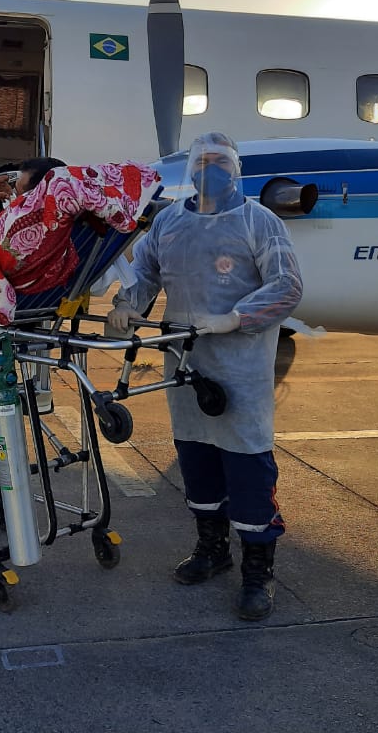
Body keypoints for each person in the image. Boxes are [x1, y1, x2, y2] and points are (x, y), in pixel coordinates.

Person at [107, 132, 302, 620]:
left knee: (247, 464)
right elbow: (146, 271)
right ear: (190, 169)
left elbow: (287, 285)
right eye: (202, 162)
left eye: (219, 161)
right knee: (196, 457)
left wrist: (236, 317)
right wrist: (127, 304)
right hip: (185, 364)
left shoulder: (260, 222)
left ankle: (258, 569)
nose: (209, 170)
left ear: (235, 168)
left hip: (240, 365)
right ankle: (211, 548)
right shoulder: (170, 222)